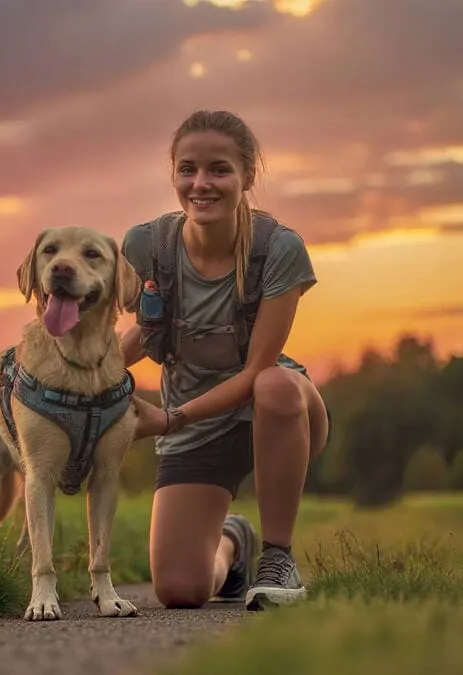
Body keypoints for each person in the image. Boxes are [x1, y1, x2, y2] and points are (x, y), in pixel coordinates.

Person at [119, 109, 331, 612]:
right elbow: (146, 335)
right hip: (197, 430)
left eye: (219, 169)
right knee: (180, 590)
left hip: (275, 416)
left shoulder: (279, 249)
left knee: (275, 384)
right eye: (188, 169)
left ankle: (278, 559)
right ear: (172, 174)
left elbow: (257, 369)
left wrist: (168, 419)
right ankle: (234, 543)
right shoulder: (146, 245)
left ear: (247, 177)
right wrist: (81, 382)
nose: (201, 183)